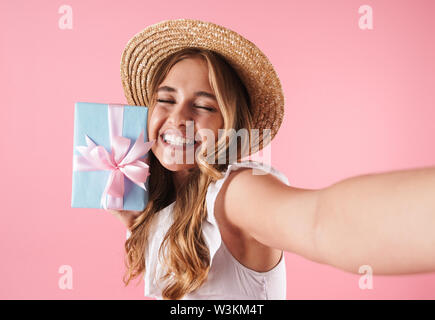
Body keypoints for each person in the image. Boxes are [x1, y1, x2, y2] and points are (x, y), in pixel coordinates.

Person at [109, 19, 435, 300]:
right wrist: (137, 224)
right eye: (166, 99)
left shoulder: (235, 192)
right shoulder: (162, 205)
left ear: (230, 124)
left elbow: (319, 222)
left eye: (205, 106)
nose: (179, 117)